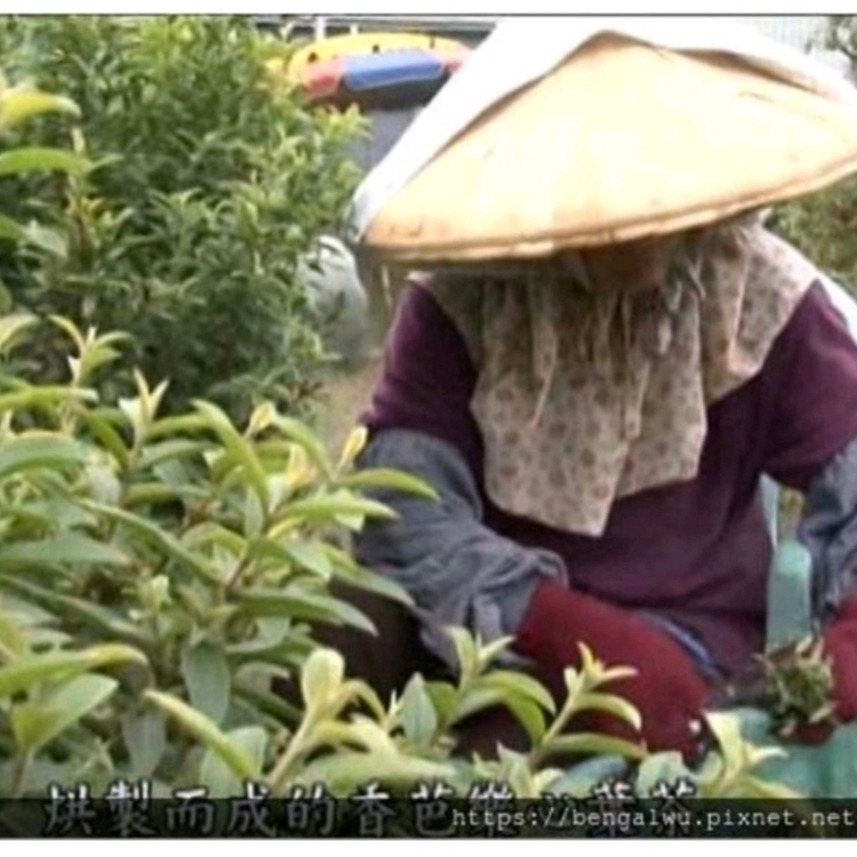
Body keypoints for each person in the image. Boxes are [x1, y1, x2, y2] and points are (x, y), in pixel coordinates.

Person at [343, 18, 857, 761]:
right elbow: (404, 513)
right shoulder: (465, 303)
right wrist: (557, 622)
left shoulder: (758, 295)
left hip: (695, 651)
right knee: (349, 625)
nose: (634, 227)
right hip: (503, 646)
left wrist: (846, 644)